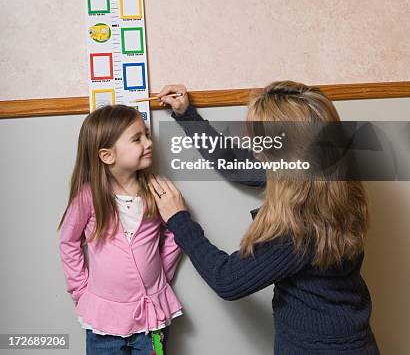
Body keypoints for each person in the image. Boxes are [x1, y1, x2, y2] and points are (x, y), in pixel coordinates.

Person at [149, 81, 380, 354]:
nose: (253, 145)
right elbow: (239, 165)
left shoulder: (300, 230)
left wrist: (178, 219)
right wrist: (187, 116)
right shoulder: (335, 176)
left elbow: (227, 280)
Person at [58, 104, 183, 355]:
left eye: (147, 134)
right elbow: (68, 241)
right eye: (137, 138)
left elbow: (177, 231)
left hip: (153, 321)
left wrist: (161, 275)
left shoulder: (155, 191)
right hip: (103, 323)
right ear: (107, 156)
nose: (148, 142)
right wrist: (80, 288)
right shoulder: (88, 197)